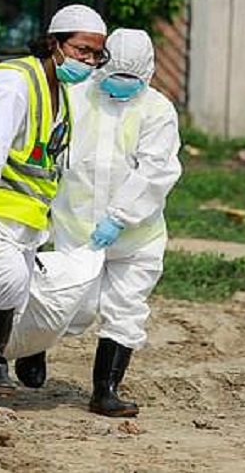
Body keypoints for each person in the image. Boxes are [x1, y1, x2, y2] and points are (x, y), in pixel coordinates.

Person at [0, 4, 108, 409]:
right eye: (81, 49)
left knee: (6, 293)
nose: (88, 61)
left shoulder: (57, 92)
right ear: (54, 43)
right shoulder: (13, 83)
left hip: (18, 217)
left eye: (96, 54)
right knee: (6, 280)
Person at [51, 28, 182, 416]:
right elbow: (56, 155)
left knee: (126, 307)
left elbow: (156, 171)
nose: (121, 85)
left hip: (136, 235)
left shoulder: (157, 110)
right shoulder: (76, 97)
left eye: (132, 79)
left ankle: (106, 389)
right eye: (115, 75)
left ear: (148, 73)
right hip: (77, 230)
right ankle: (32, 351)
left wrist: (120, 217)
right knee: (74, 306)